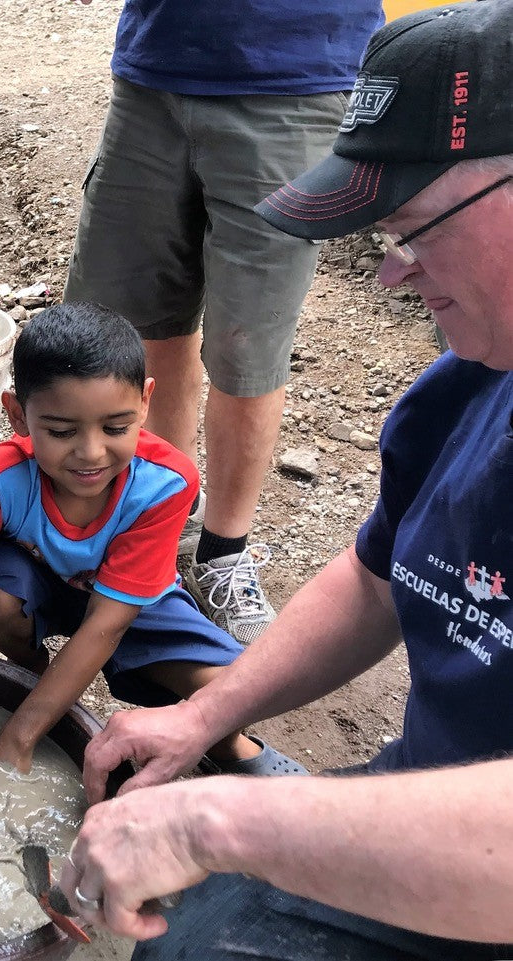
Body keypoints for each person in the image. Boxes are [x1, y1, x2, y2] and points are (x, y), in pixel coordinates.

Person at [57, 3, 513, 958]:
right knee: (177, 932)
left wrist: (209, 822)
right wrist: (204, 716)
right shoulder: (468, 382)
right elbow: (380, 575)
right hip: (437, 803)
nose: (391, 277)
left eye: (415, 228)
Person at [65, 0, 384, 645]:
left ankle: (223, 554)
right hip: (153, 73)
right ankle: (160, 513)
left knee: (248, 349)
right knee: (137, 330)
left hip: (293, 81)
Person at [0, 303, 307, 777]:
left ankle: (229, 746)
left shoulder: (166, 484)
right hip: (35, 584)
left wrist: (19, 739)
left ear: (146, 402)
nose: (91, 453)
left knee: (235, 691)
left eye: (116, 428)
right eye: (61, 431)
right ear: (18, 415)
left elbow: (106, 625)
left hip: (130, 605)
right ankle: (30, 673)